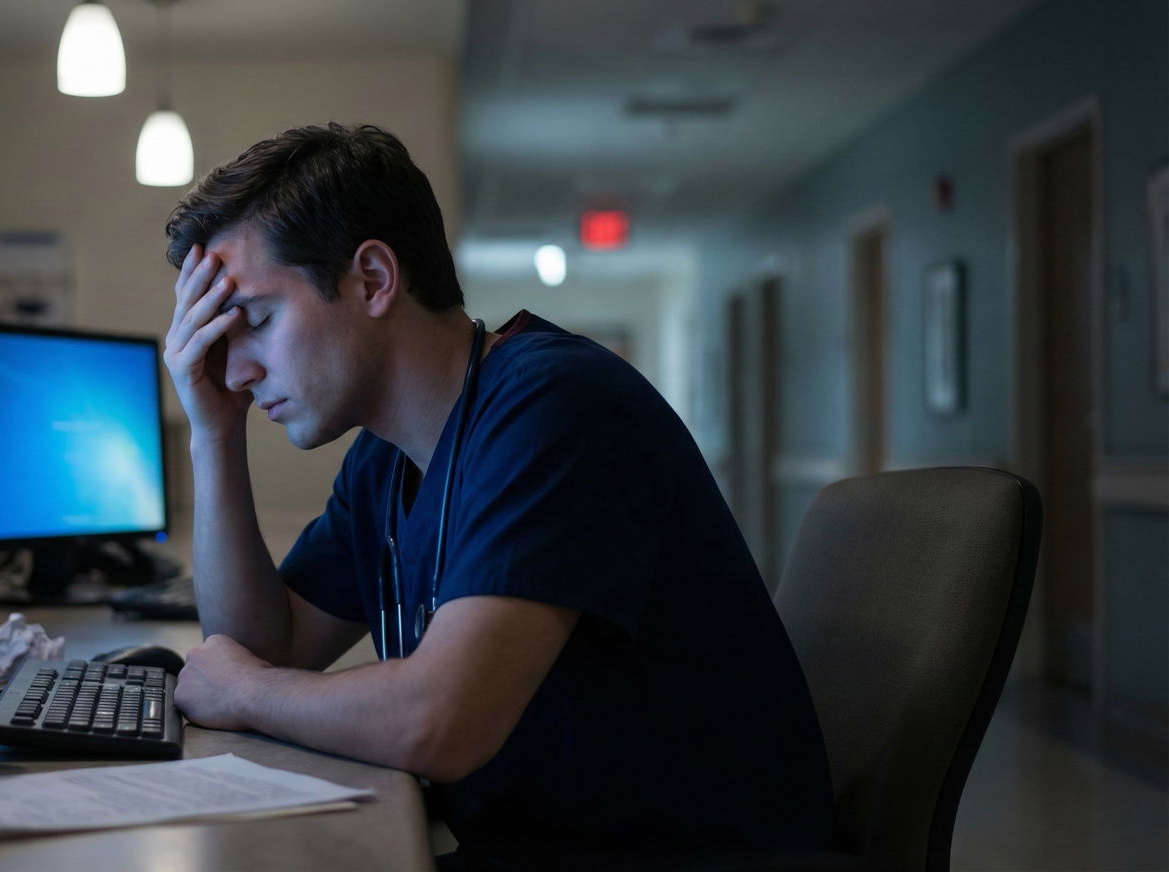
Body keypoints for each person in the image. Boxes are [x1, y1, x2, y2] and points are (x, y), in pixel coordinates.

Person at [160, 123, 833, 870]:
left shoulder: (555, 406)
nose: (238, 372)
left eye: (253, 321)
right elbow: (259, 647)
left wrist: (249, 692)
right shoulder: (384, 460)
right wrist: (211, 435)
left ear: (374, 280)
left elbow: (440, 722)